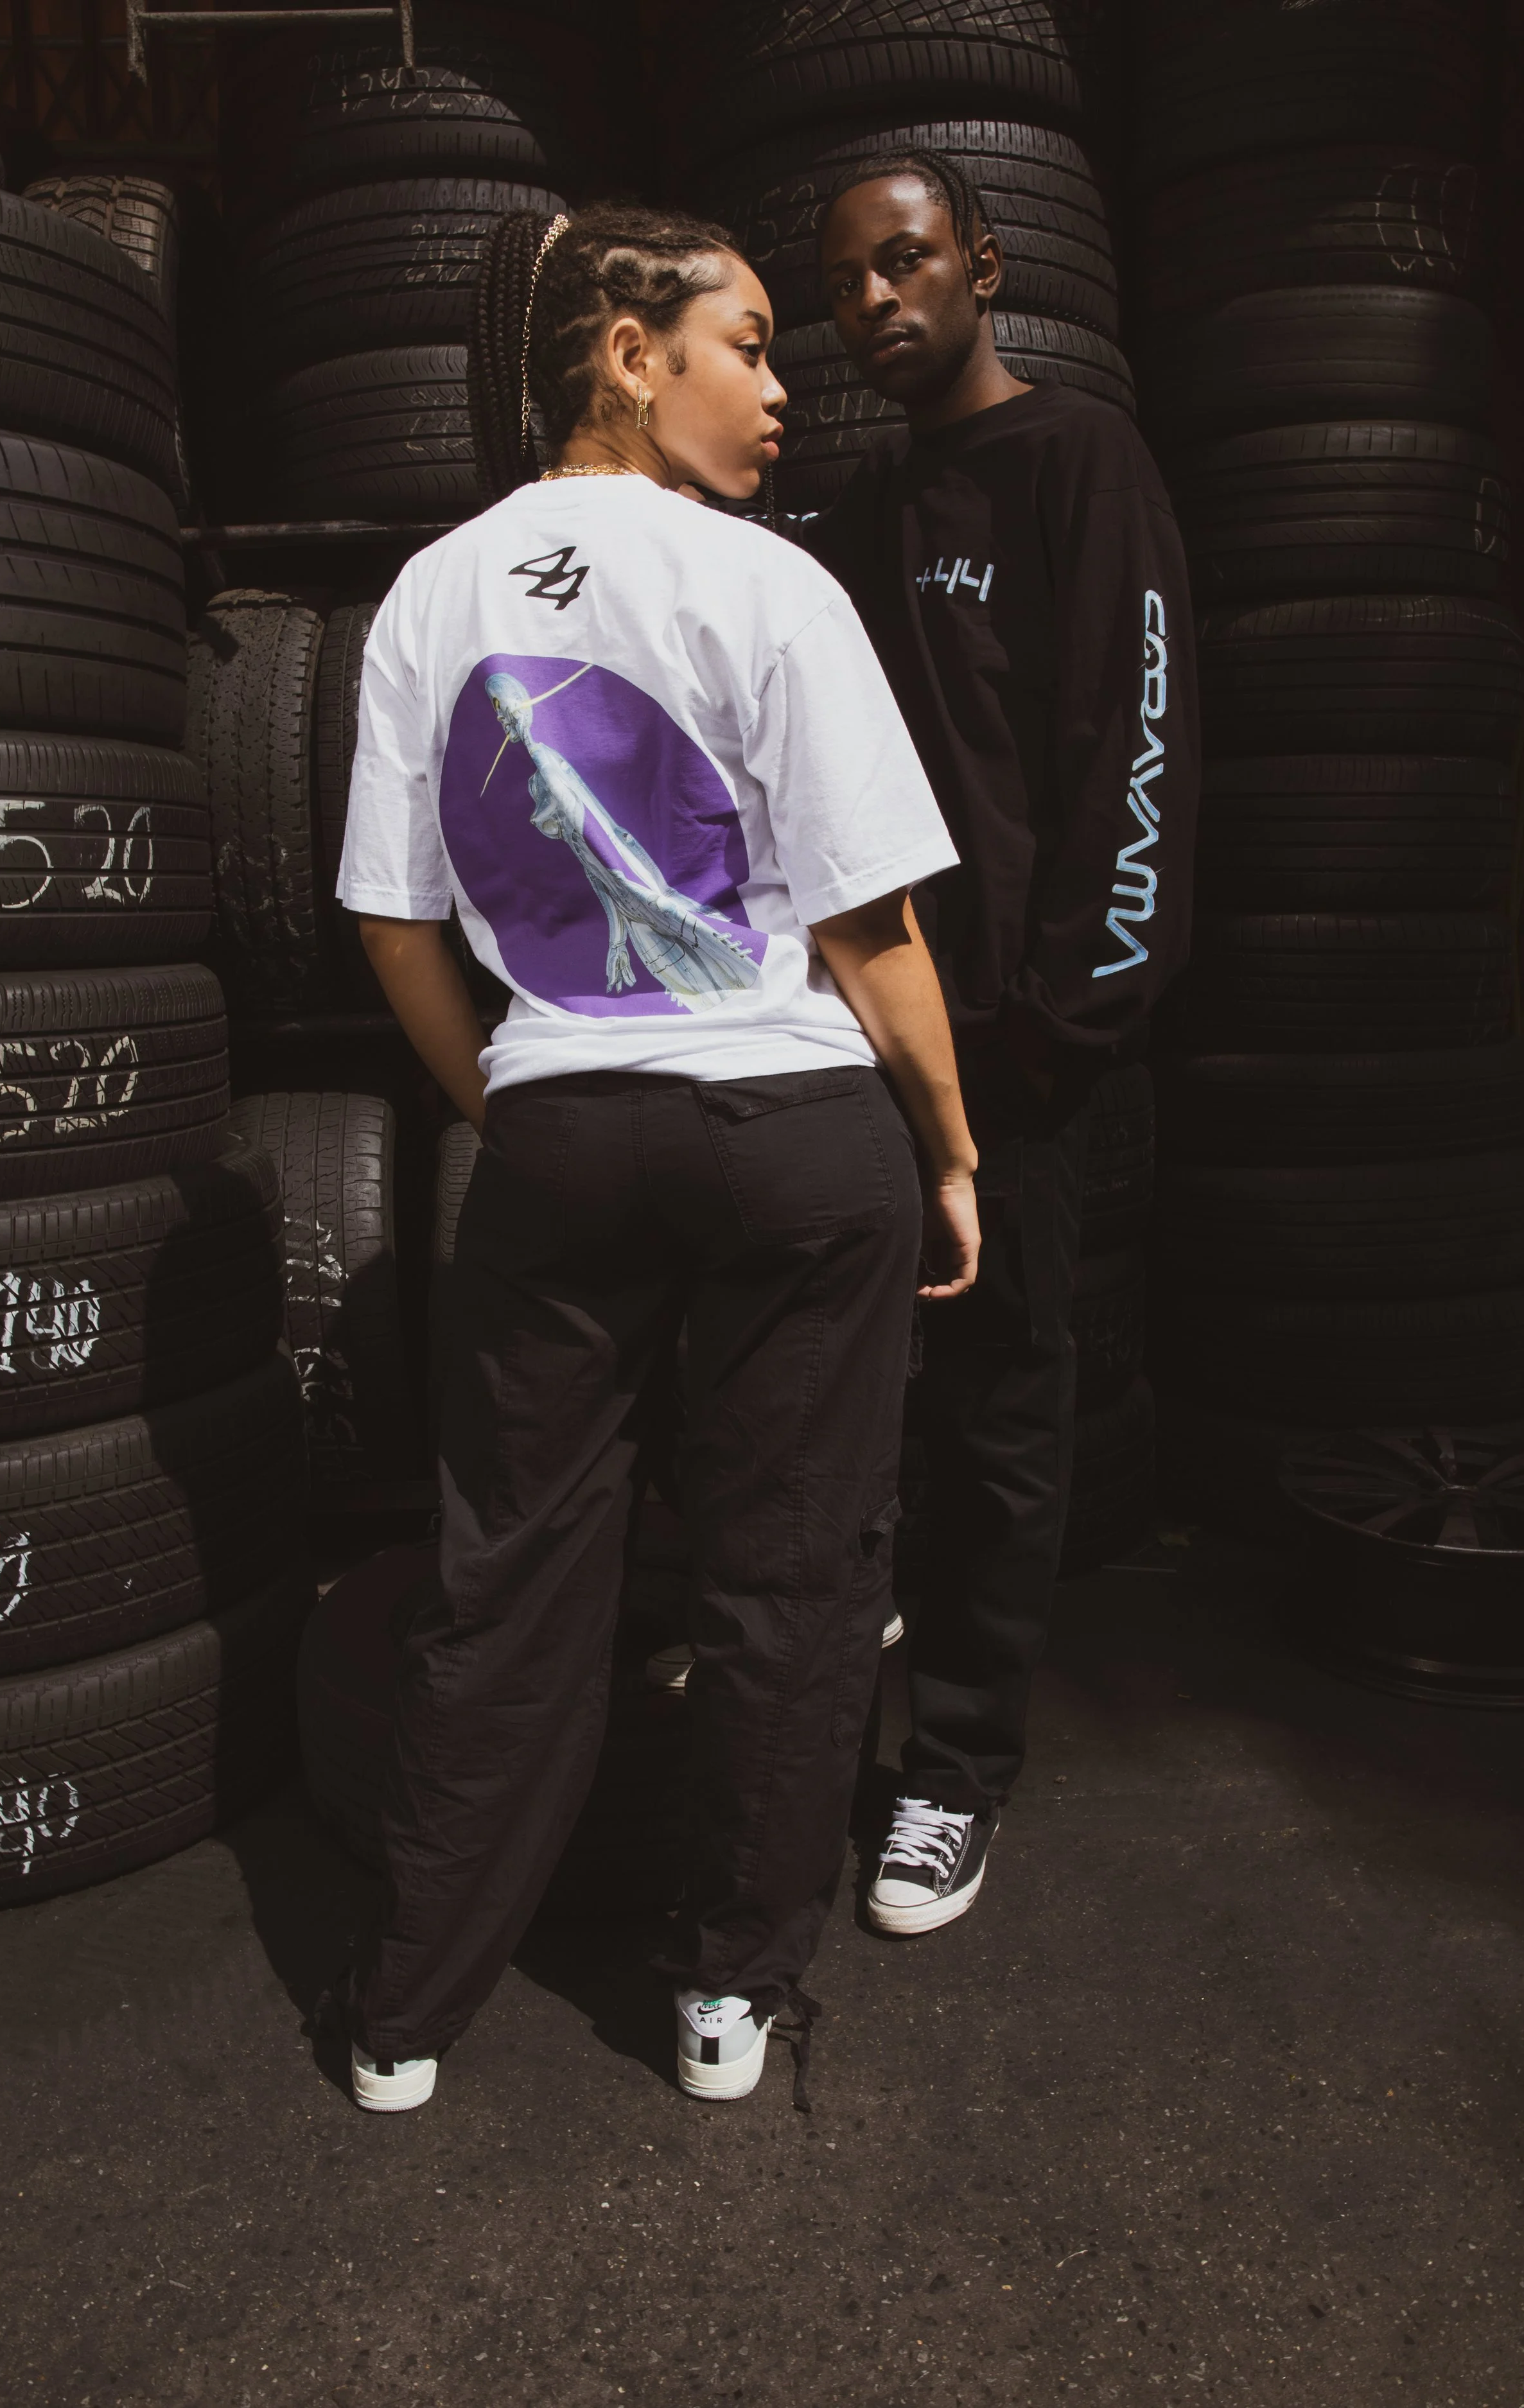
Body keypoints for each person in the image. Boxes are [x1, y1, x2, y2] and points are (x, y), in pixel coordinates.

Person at [333, 202, 979, 2113]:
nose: (782, 392)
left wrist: (513, 1101)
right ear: (630, 355)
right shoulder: (771, 585)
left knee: (508, 1570)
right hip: (792, 1133)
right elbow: (871, 926)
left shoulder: (428, 594)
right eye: (749, 345)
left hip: (560, 1131)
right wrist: (949, 1147)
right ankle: (724, 2004)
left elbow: (392, 923)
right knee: (790, 1575)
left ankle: (402, 2017)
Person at [805, 151, 1199, 1937]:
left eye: (904, 263)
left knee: (996, 1421)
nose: (875, 302)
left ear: (984, 258)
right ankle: (822, 1723)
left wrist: (1058, 1027)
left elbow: (1136, 750)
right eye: (844, 285)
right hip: (858, 1039)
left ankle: (954, 1774)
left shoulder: (1079, 460)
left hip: (1014, 1055)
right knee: (841, 1407)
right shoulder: (869, 508)